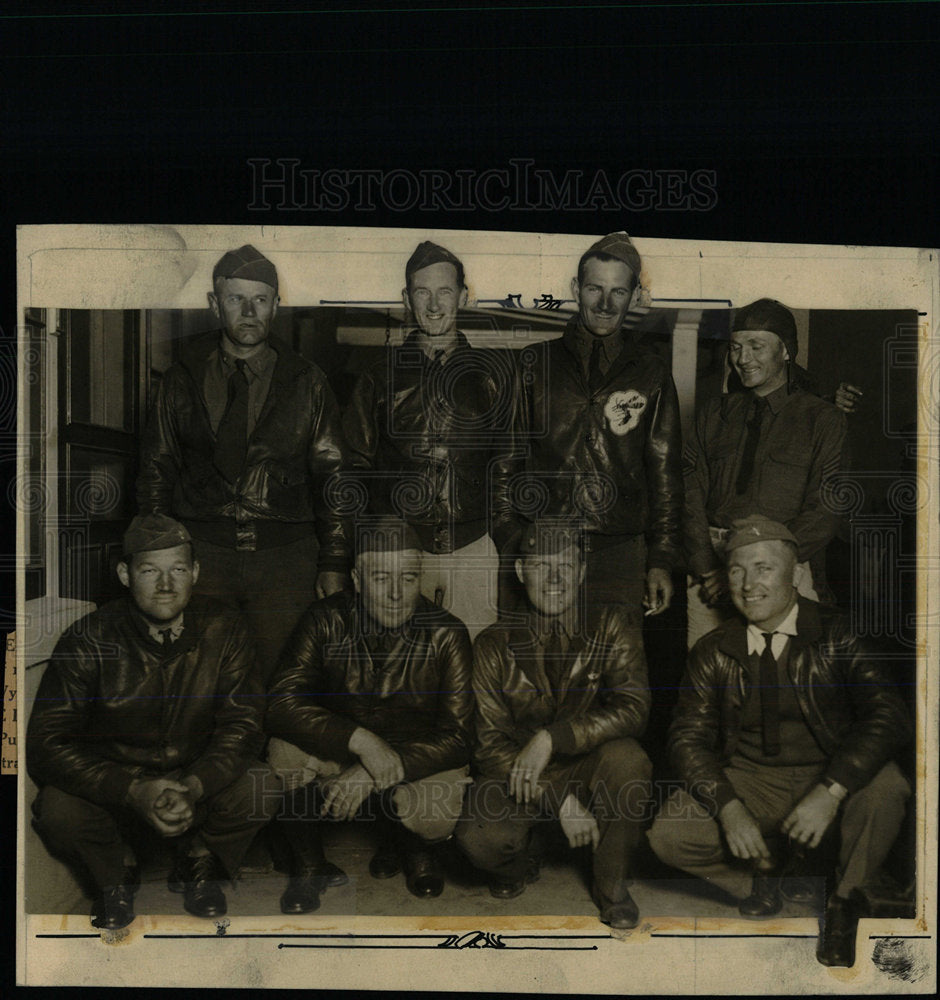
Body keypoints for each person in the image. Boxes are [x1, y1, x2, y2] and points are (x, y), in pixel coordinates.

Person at [648, 516, 912, 967]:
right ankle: (760, 876)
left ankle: (844, 904)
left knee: (887, 790)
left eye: (763, 568)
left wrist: (832, 789)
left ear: (794, 574)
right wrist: (730, 809)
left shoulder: (837, 632)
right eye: (736, 570)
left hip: (829, 770)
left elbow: (889, 715)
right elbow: (686, 738)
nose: (748, 584)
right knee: (668, 835)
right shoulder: (712, 650)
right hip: (753, 779)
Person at [27, 515, 275, 930]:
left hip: (194, 779)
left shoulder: (225, 628)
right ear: (125, 574)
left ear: (195, 572)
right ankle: (115, 874)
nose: (166, 584)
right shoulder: (89, 637)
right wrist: (132, 789)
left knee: (262, 787)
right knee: (57, 810)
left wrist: (194, 786)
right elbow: (46, 743)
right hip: (114, 785)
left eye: (178, 569)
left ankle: (199, 860)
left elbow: (243, 726)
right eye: (149, 570)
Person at [136, 244, 352, 681]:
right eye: (236, 298)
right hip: (204, 557)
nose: (249, 310)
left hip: (285, 560)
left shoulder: (308, 382)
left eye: (261, 299)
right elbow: (156, 467)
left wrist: (334, 561)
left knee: (286, 679)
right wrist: (159, 555)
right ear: (214, 305)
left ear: (277, 304)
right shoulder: (182, 378)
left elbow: (334, 476)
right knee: (200, 678)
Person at [264, 516, 474, 914]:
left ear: (420, 578)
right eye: (381, 579)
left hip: (413, 757)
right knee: (282, 752)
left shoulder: (447, 633)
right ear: (357, 580)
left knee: (434, 814)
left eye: (408, 578)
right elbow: (279, 702)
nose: (396, 593)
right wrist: (360, 742)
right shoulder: (324, 619)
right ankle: (310, 865)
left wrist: (373, 768)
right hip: (341, 749)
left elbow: (460, 737)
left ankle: (414, 851)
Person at [456, 520, 652, 930]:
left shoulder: (612, 623)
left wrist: (554, 737)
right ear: (521, 572)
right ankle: (522, 860)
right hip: (517, 772)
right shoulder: (493, 644)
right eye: (541, 565)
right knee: (480, 840)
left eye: (566, 564)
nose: (555, 577)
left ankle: (610, 884)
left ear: (582, 571)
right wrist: (559, 800)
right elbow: (488, 746)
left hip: (584, 761)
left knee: (628, 762)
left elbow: (634, 708)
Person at [343, 240, 524, 639]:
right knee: (401, 669)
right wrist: (363, 549)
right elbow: (355, 468)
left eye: (444, 291)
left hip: (475, 548)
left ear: (463, 295)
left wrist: (507, 548)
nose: (434, 305)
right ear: (406, 298)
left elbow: (507, 468)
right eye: (422, 292)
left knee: (475, 664)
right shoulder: (377, 376)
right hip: (398, 554)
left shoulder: (495, 375)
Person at [519, 232, 683, 619]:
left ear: (636, 296)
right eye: (595, 289)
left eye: (619, 292)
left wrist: (660, 557)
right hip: (545, 549)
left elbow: (665, 474)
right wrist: (514, 538)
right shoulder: (534, 364)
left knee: (617, 665)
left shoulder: (651, 372)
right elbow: (508, 460)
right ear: (576, 289)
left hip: (620, 553)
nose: (606, 305)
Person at [683, 298, 849, 647]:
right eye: (736, 347)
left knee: (784, 679)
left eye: (756, 346)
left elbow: (826, 509)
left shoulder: (822, 419)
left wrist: (760, 562)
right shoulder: (713, 415)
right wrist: (706, 566)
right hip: (710, 568)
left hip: (785, 565)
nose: (743, 358)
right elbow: (688, 493)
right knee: (711, 678)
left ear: (786, 351)